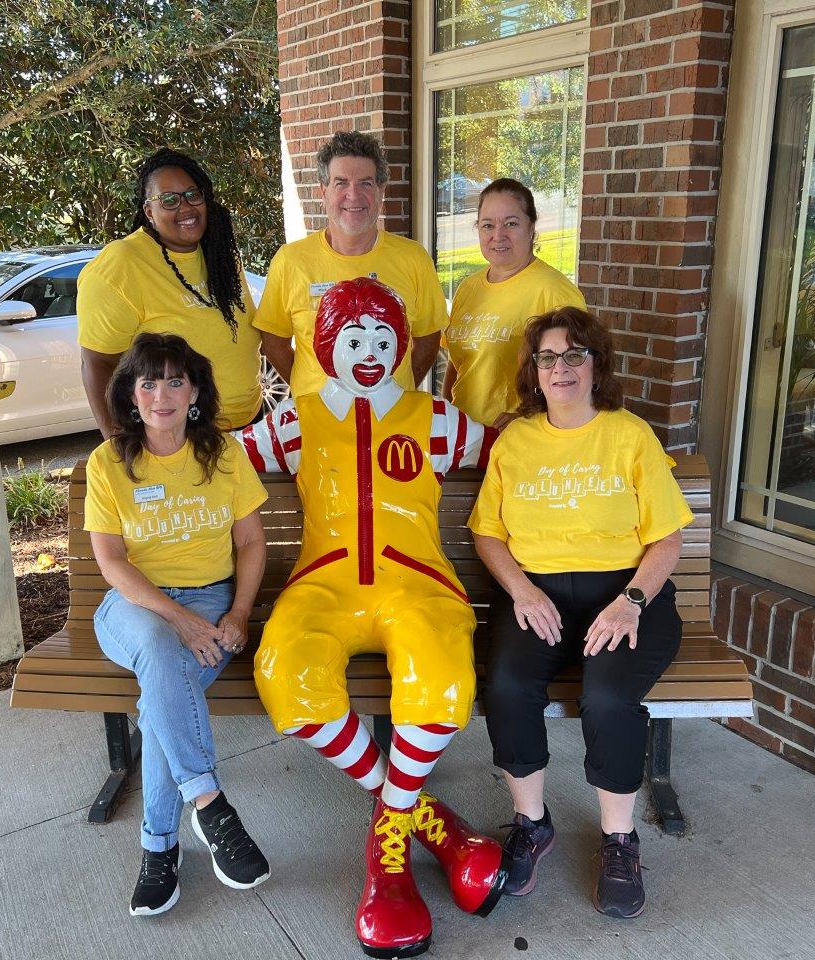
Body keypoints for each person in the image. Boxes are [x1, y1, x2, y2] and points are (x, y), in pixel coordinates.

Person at [237, 278, 504, 958]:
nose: (369, 351)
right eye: (353, 338)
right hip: (321, 586)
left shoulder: (435, 418)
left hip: (418, 585)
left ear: (401, 347)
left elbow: (514, 454)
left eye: (383, 338)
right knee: (285, 673)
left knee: (442, 676)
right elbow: (220, 466)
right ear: (327, 345)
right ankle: (427, 820)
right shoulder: (296, 419)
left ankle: (387, 856)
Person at [469, 306, 694, 919]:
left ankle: (619, 840)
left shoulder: (628, 434)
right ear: (534, 371)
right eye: (548, 357)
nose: (561, 368)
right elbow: (488, 534)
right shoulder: (515, 440)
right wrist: (521, 591)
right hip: (537, 596)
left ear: (597, 365)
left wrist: (631, 601)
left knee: (609, 697)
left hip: (625, 596)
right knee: (509, 684)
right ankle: (531, 822)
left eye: (575, 355)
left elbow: (667, 538)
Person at [86, 333, 270, 916]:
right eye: (147, 382)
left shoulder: (226, 455)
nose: (160, 393)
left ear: (194, 392)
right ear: (131, 396)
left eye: (174, 380)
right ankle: (211, 804)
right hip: (134, 605)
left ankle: (159, 848)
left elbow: (250, 542)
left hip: (213, 600)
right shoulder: (109, 462)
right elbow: (112, 562)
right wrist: (181, 618)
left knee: (162, 694)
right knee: (163, 651)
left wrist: (236, 613)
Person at [78, 148, 263, 433]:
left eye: (193, 194)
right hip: (176, 438)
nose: (186, 207)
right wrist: (120, 445)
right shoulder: (122, 263)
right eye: (169, 200)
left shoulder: (220, 256)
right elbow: (98, 362)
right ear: (149, 211)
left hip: (249, 428)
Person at [255, 130, 447, 399]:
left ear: (381, 191)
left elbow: (428, 337)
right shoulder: (290, 261)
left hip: (391, 423)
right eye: (341, 183)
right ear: (324, 191)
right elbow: (274, 341)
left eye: (366, 183)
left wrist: (395, 390)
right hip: (317, 426)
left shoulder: (413, 259)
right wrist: (309, 389)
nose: (353, 195)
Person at [444, 178, 585, 429]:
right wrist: (444, 409)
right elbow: (460, 364)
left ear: (531, 227)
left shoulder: (554, 291)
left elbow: (579, 373)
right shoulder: (468, 288)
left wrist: (528, 416)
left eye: (511, 223)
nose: (498, 235)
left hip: (518, 439)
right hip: (464, 437)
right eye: (488, 225)